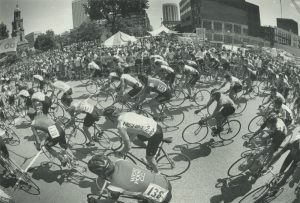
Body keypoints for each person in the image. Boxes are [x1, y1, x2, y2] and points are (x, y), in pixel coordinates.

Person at [87, 155, 172, 203]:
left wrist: (95, 201)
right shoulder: (120, 161)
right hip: (165, 182)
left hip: (162, 198)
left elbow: (111, 201)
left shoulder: (114, 186)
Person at [103, 106, 163, 173]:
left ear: (111, 117)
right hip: (155, 125)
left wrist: (121, 152)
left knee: (149, 159)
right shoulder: (127, 113)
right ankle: (150, 149)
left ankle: (158, 174)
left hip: (155, 135)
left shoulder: (120, 126)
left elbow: (128, 147)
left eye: (106, 118)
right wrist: (127, 138)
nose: (106, 120)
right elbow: (134, 127)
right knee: (135, 140)